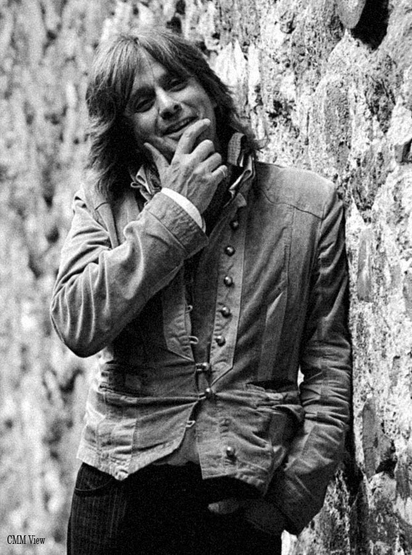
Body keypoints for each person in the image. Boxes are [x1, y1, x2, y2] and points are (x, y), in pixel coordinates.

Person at [51, 26, 352, 555]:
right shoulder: (103, 201)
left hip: (240, 505)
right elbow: (77, 322)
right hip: (116, 497)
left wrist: (285, 501)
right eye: (143, 102)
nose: (168, 106)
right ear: (127, 131)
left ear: (209, 91)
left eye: (176, 83)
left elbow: (329, 369)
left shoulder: (308, 205)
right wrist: (174, 210)